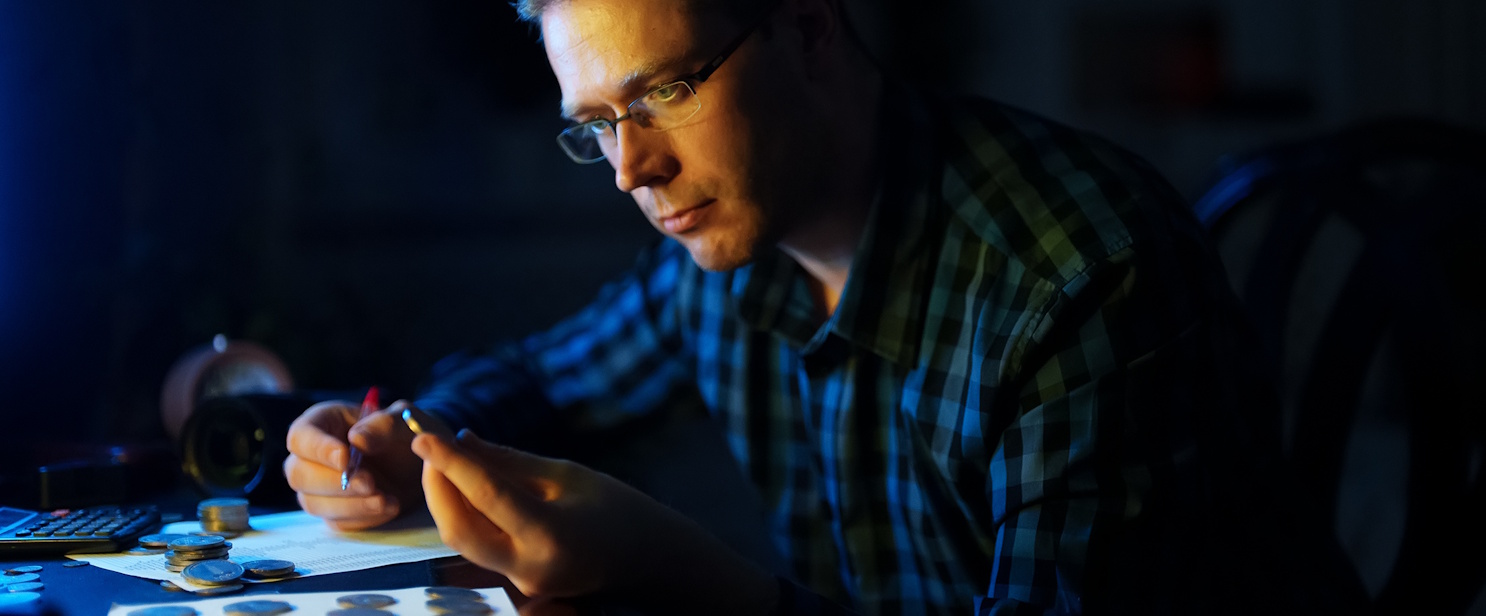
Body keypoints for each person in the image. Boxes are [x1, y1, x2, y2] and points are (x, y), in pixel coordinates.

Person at [283, 0, 1341, 613]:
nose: (631, 169)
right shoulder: (731, 248)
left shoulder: (1082, 275)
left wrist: (670, 571)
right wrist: (392, 439)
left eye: (665, 91)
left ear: (812, 27)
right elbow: (543, 378)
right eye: (597, 122)